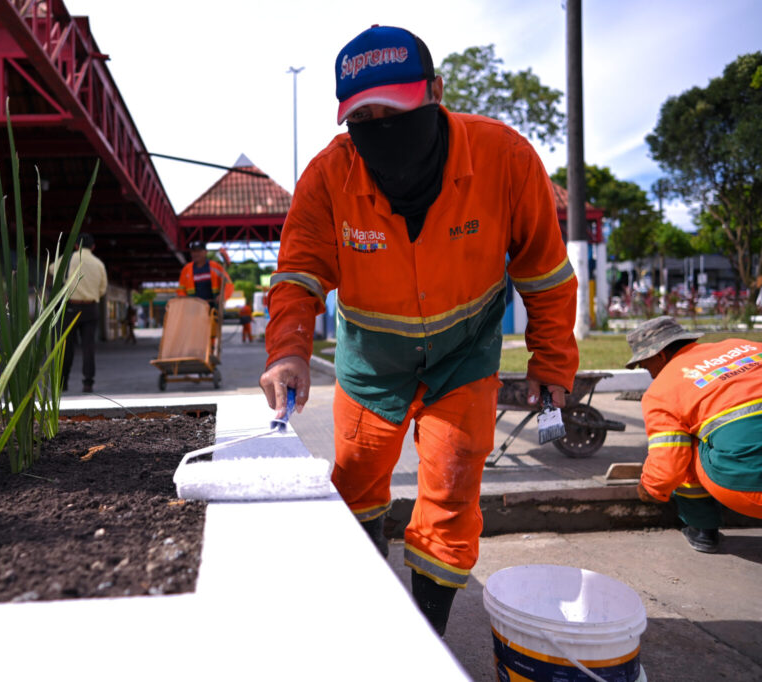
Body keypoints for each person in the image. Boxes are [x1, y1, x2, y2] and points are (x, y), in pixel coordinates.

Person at [258, 25, 578, 636]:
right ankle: (370, 607)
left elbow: (547, 275)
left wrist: (553, 365)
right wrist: (288, 350)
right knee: (354, 483)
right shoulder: (329, 176)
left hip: (464, 359)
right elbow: (298, 275)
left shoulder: (503, 159)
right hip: (371, 366)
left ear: (434, 91)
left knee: (453, 494)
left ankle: (428, 633)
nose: (381, 128)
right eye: (364, 116)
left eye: (397, 110)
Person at [625, 316, 762, 553]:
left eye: (646, 367)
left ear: (661, 355)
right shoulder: (746, 346)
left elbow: (667, 468)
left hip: (752, 490)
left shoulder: (662, 391)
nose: (650, 375)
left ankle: (702, 529)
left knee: (681, 446)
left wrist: (649, 488)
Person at [54, 233, 107, 393]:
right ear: (93, 247)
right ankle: (88, 383)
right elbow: (103, 289)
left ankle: (63, 383)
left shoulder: (69, 259)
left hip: (71, 308)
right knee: (88, 347)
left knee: (66, 347)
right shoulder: (99, 264)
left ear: (76, 246)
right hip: (90, 309)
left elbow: (52, 270)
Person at [177, 241, 232, 357]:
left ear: (205, 252)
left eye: (198, 251)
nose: (195, 254)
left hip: (212, 308)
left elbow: (228, 285)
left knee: (211, 331)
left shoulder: (215, 267)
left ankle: (210, 353)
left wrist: (222, 297)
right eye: (193, 252)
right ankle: (195, 353)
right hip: (193, 309)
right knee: (194, 332)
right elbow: (181, 289)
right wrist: (183, 300)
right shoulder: (186, 270)